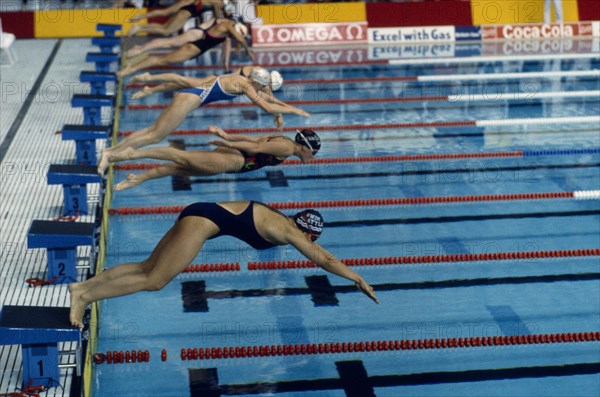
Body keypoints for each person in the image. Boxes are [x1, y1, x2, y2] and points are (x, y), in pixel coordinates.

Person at [69, 201, 379, 328]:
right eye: (313, 238)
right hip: (201, 223)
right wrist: (357, 278)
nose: (312, 244)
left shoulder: (285, 222)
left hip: (199, 213)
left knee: (146, 266)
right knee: (154, 280)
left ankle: (81, 287)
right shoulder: (289, 231)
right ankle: (84, 297)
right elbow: (324, 258)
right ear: (309, 232)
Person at [98, 67, 307, 175]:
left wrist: (279, 112)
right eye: (263, 86)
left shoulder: (241, 78)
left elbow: (267, 100)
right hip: (189, 100)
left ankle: (111, 152)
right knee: (155, 135)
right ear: (258, 82)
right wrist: (294, 110)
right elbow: (267, 105)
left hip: (189, 96)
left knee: (152, 132)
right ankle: (111, 154)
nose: (263, 90)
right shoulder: (247, 87)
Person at [110, 126, 320, 191]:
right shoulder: (285, 146)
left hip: (235, 159)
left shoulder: (282, 141)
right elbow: (255, 147)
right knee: (181, 157)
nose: (313, 157)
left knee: (176, 168)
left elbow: (252, 139)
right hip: (234, 161)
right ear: (303, 147)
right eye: (313, 152)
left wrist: (228, 137)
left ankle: (137, 179)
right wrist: (229, 143)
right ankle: (132, 154)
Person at [119, 13, 253, 77]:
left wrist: (226, 66)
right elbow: (240, 39)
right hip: (193, 46)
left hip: (194, 48)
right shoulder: (228, 24)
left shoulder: (226, 33)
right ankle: (130, 68)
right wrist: (248, 49)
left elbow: (230, 45)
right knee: (162, 58)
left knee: (164, 56)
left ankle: (132, 63)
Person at [127, 0, 224, 37]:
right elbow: (218, 18)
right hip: (187, 11)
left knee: (164, 24)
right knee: (166, 31)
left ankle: (140, 22)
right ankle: (139, 27)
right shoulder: (219, 2)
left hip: (188, 9)